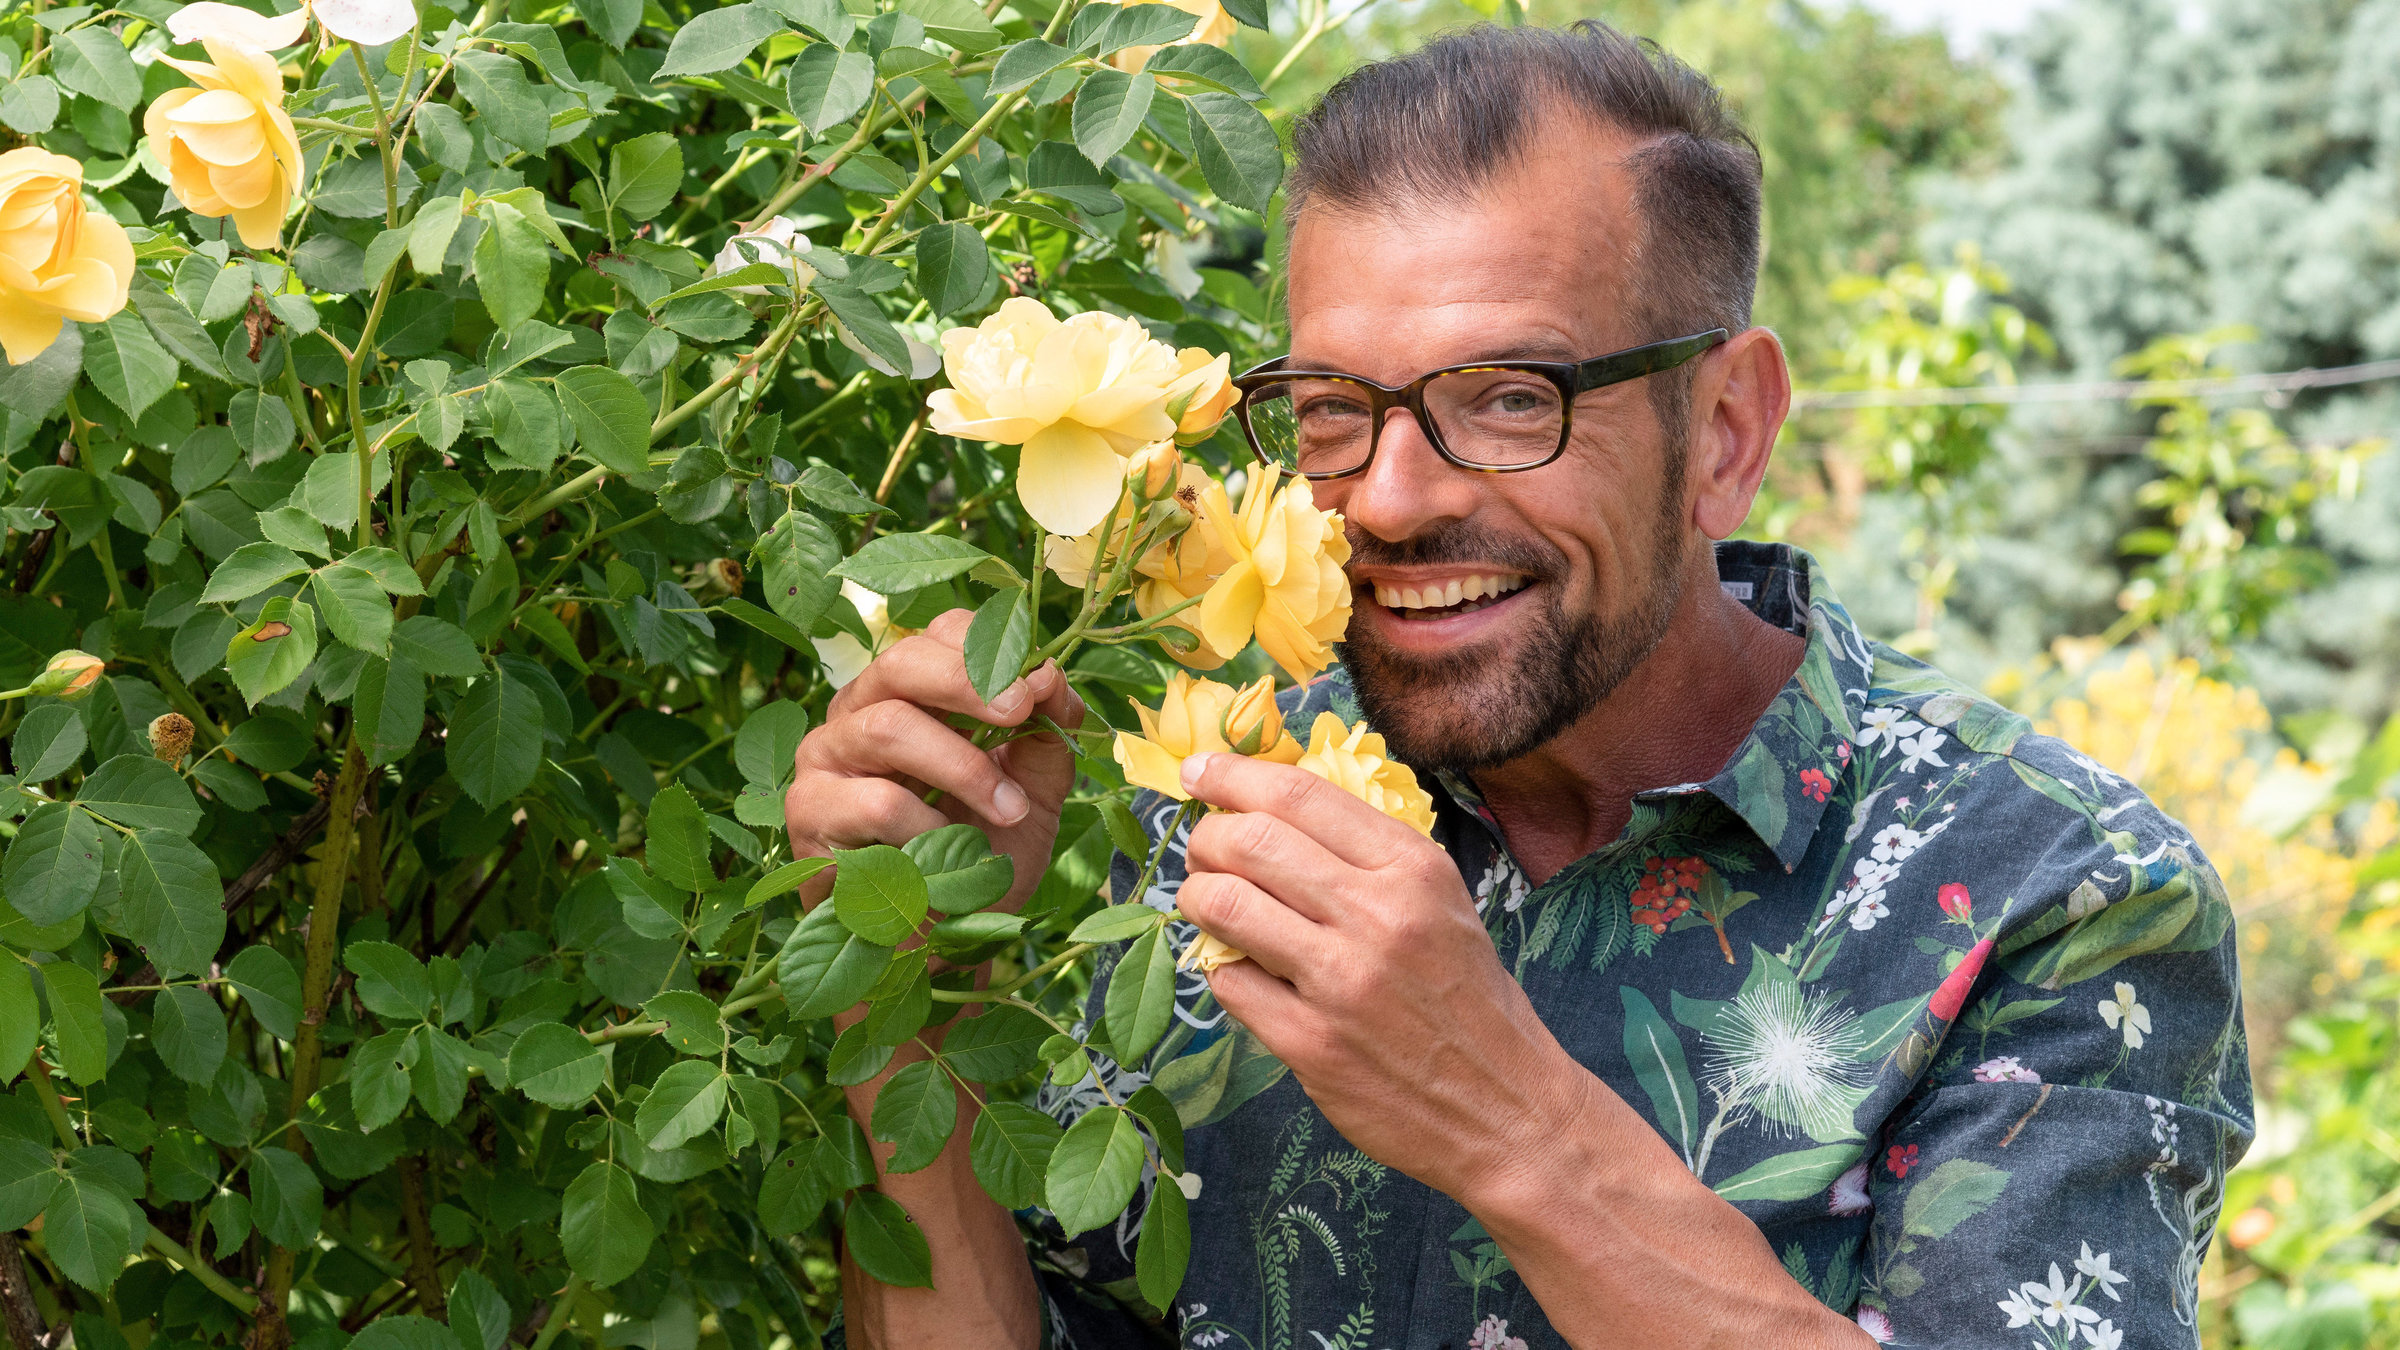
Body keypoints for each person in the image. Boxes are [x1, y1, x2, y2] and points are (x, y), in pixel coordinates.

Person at [783, 21, 2251, 1349]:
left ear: (1726, 431)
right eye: (1333, 408)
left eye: (1507, 400)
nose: (1389, 499)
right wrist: (908, 997)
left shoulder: (2056, 893)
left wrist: (1509, 1122)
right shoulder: (1209, 780)